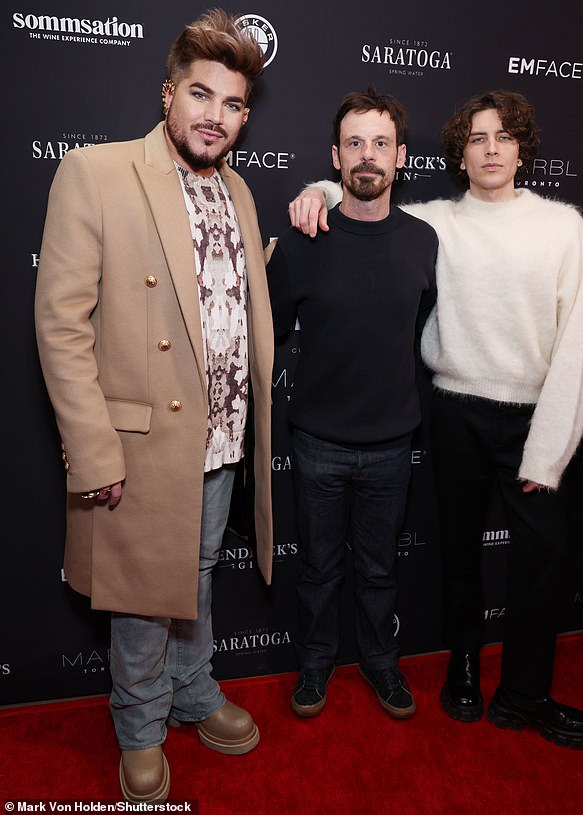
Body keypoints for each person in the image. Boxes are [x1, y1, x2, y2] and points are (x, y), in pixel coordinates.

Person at [288, 89, 583, 749]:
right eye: (477, 137)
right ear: (459, 152)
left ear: (522, 149)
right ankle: (461, 669)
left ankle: (526, 692)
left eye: (503, 137)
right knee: (457, 556)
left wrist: (548, 451)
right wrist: (316, 188)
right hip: (453, 409)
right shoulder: (436, 223)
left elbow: (578, 345)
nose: (490, 148)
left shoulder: (562, 225)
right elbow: (362, 195)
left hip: (532, 417)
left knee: (540, 560)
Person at [34, 9, 275, 803]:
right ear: (168, 93)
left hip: (221, 436)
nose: (215, 116)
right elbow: (61, 325)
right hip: (139, 441)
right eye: (201, 95)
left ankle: (193, 688)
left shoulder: (238, 188)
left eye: (233, 104)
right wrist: (95, 450)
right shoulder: (96, 172)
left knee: (197, 573)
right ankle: (139, 720)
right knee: (143, 591)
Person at [266, 88, 437, 720]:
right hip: (317, 444)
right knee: (316, 569)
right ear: (336, 158)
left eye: (382, 143)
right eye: (356, 143)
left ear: (399, 157)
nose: (369, 155)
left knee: (379, 569)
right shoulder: (304, 240)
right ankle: (314, 668)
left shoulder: (426, 241)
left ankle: (380, 664)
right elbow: (268, 329)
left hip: (394, 444)